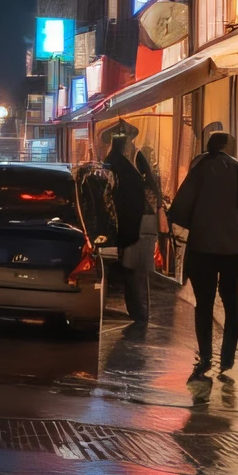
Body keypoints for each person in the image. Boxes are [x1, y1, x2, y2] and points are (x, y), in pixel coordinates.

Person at [167, 129, 238, 378]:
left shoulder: (199, 169)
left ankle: (206, 354)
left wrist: (198, 222)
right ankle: (228, 356)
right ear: (228, 146)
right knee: (231, 298)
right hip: (233, 247)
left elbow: (179, 207)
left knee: (204, 303)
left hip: (202, 246)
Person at [102, 124, 158, 328]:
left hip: (132, 225)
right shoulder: (124, 163)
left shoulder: (118, 162)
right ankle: (140, 313)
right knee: (137, 272)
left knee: (134, 272)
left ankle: (139, 312)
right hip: (134, 225)